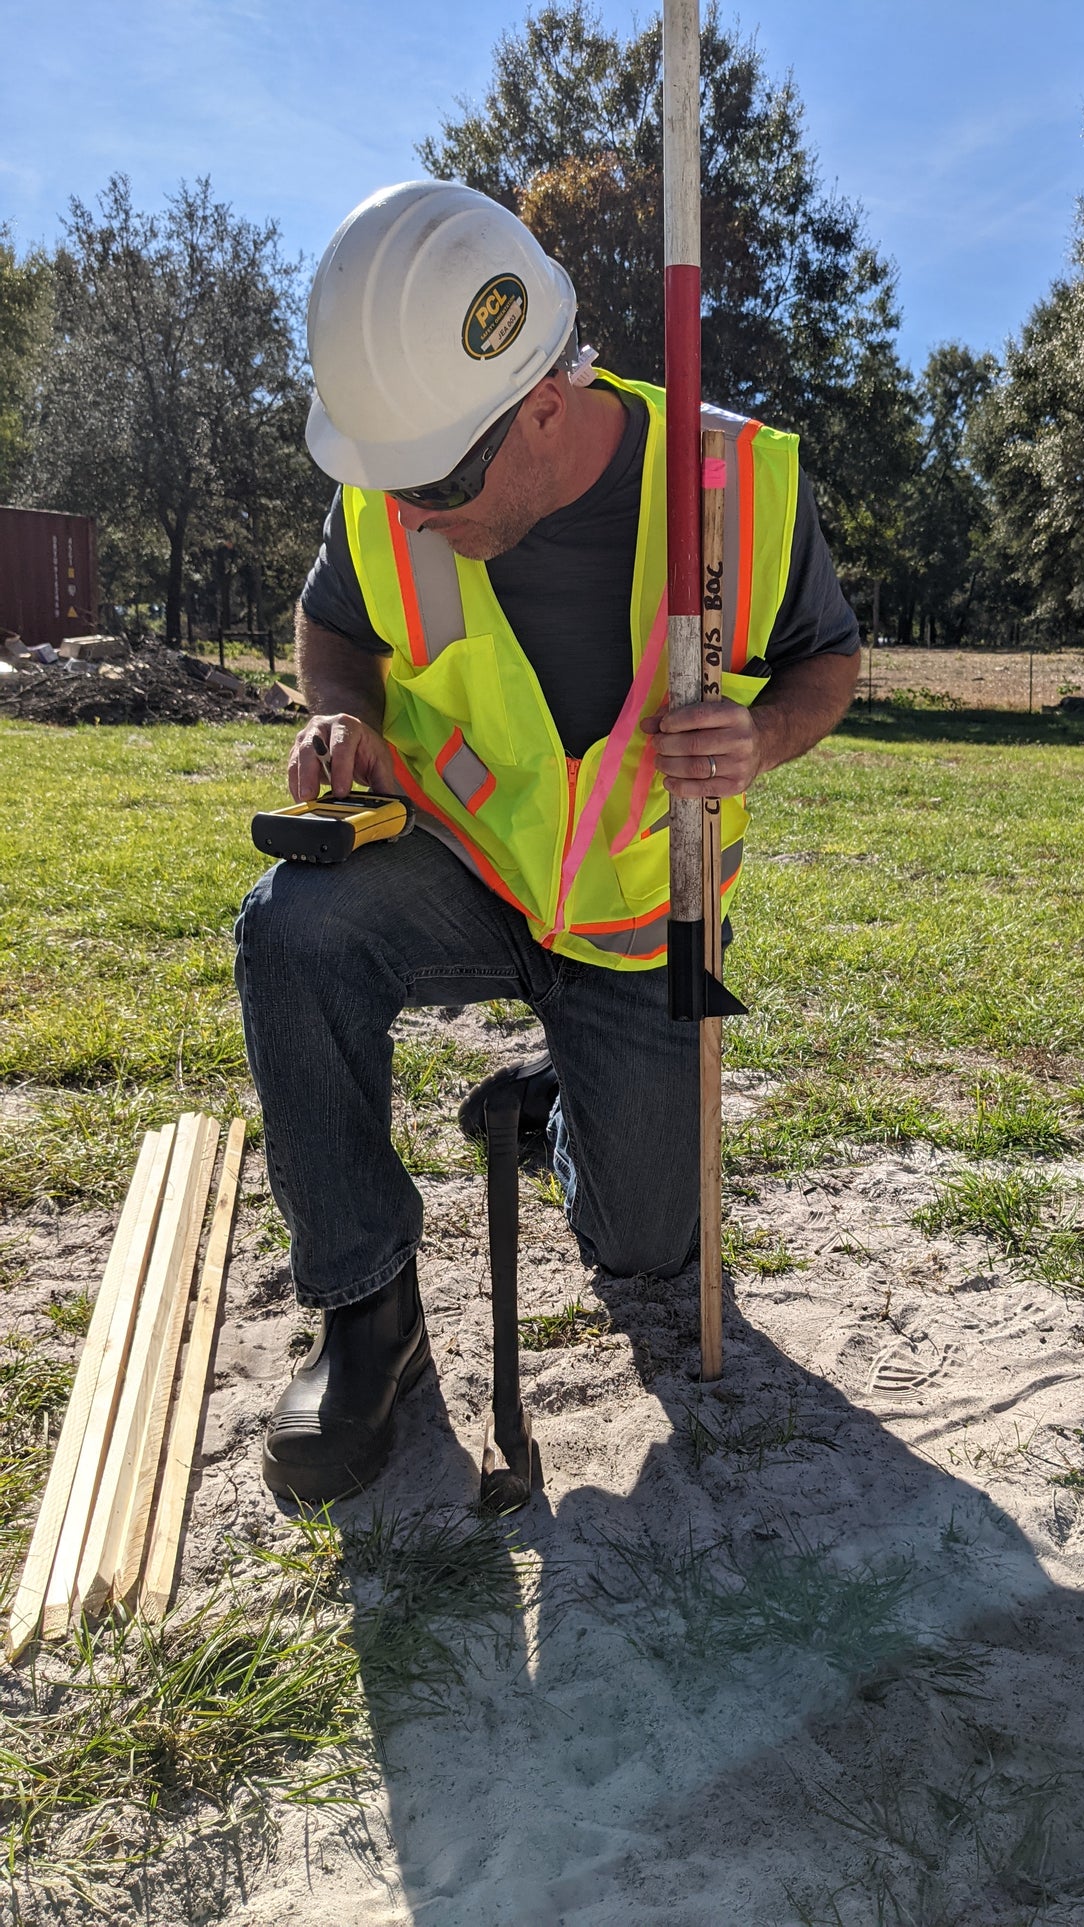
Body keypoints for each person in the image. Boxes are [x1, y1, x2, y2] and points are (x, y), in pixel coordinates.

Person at [236, 180, 859, 1503]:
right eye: (389, 484)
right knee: (291, 927)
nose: (407, 515)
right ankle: (368, 1318)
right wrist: (340, 717)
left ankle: (557, 1104)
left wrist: (763, 741)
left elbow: (826, 659)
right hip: (460, 871)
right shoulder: (395, 484)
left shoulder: (736, 485)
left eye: (432, 488)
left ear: (543, 406)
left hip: (639, 917)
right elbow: (334, 627)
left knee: (645, 1255)